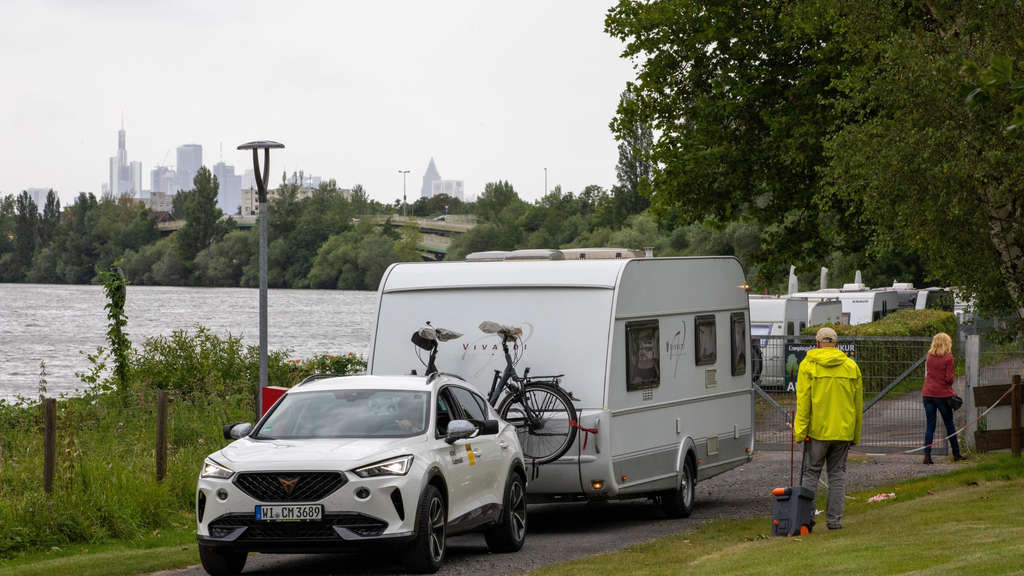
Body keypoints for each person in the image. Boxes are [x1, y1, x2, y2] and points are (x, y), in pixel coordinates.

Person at [794, 327, 863, 531]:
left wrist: (800, 432)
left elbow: (803, 402)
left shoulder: (808, 365)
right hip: (843, 431)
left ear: (817, 344)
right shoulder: (851, 367)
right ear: (837, 344)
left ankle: (807, 520)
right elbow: (857, 405)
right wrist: (854, 435)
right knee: (837, 475)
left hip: (817, 431)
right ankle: (834, 521)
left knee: (811, 474)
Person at [921, 332, 963, 464]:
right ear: (947, 343)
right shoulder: (948, 358)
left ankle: (927, 456)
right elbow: (949, 379)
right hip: (942, 396)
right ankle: (956, 454)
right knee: (949, 424)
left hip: (927, 394)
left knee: (930, 426)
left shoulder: (929, 356)